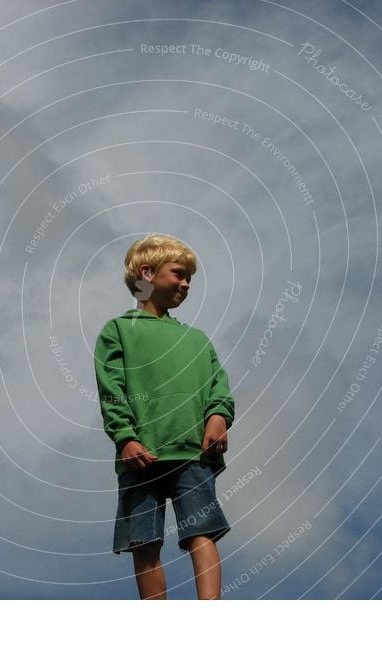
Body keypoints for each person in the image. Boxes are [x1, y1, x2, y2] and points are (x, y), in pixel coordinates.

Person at [93, 234, 235, 599]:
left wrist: (218, 418)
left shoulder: (198, 340)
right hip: (141, 456)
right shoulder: (118, 331)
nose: (186, 283)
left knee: (201, 530)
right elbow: (112, 388)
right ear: (147, 272)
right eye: (179, 273)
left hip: (193, 454)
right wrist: (125, 437)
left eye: (190, 277)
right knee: (144, 542)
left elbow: (219, 387)